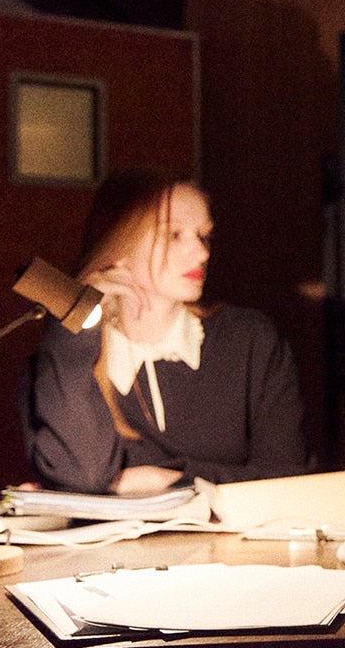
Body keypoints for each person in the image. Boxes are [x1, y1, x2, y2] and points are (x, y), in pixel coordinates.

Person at [19, 170, 310, 495]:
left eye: (204, 236)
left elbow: (289, 483)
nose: (202, 253)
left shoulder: (250, 341)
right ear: (118, 247)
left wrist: (167, 480)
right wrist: (73, 330)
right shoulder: (65, 357)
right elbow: (82, 477)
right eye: (174, 235)